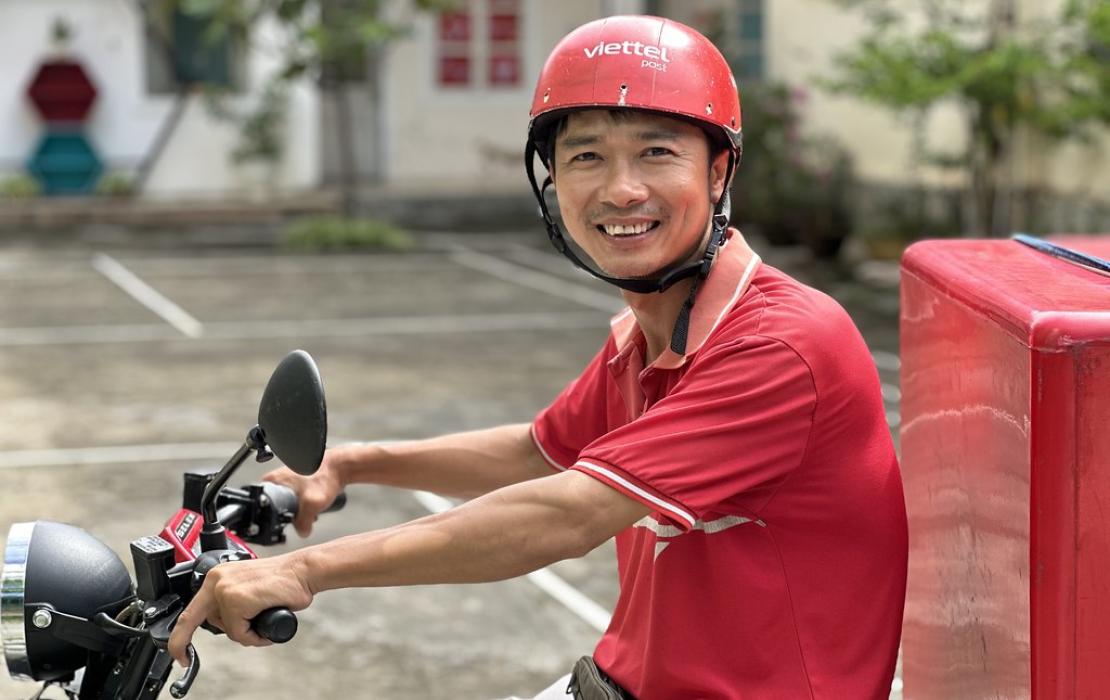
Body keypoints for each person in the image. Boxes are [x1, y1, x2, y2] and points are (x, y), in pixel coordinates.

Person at [169, 15, 907, 699]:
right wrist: (355, 463)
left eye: (657, 151)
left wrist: (304, 570)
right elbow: (538, 452)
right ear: (553, 180)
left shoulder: (780, 345)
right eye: (587, 156)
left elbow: (565, 513)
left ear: (718, 173)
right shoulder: (650, 330)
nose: (622, 189)